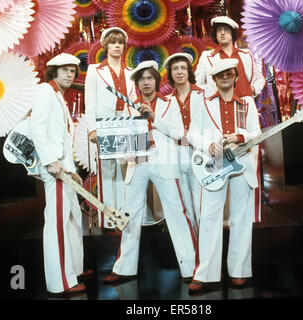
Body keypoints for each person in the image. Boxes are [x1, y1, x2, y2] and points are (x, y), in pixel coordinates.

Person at [104, 60, 196, 283]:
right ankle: (124, 268)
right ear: (136, 83)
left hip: (163, 159)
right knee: (130, 213)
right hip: (138, 161)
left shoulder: (169, 102)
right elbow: (123, 139)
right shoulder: (128, 106)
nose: (146, 82)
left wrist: (154, 117)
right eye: (141, 79)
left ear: (156, 80)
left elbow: (178, 132)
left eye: (149, 78)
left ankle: (192, 268)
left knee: (175, 211)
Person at [187, 59, 261, 292]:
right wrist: (208, 145)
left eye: (229, 74)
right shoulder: (202, 102)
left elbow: (256, 132)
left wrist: (238, 137)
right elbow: (192, 133)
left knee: (241, 217)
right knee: (209, 217)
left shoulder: (247, 103)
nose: (225, 78)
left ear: (236, 77)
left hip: (242, 163)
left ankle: (239, 271)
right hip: (214, 165)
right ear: (214, 80)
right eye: (220, 75)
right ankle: (206, 274)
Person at [30, 53, 91, 295]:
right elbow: (37, 128)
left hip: (64, 170)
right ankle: (61, 283)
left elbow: (63, 139)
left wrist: (73, 171)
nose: (70, 75)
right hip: (54, 170)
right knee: (56, 223)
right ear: (53, 71)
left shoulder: (59, 96)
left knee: (73, 219)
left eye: (73, 71)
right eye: (65, 70)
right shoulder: (46, 92)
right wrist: (50, 162)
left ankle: (74, 269)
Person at [85, 27, 136, 230]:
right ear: (105, 45)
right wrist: (92, 129)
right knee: (107, 170)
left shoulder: (131, 72)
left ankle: (125, 215)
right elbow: (90, 103)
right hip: (105, 124)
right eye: (113, 42)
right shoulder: (95, 70)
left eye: (120, 42)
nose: (117, 46)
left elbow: (133, 102)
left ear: (124, 46)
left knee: (127, 168)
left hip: (126, 123)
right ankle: (109, 218)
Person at [164, 52, 203, 231]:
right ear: (170, 73)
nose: (179, 72)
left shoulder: (204, 94)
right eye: (175, 68)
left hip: (201, 152)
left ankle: (206, 251)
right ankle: (192, 251)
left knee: (202, 204)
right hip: (178, 153)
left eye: (182, 68)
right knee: (184, 205)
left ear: (189, 71)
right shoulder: (166, 101)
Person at [195, 15, 265, 98]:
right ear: (215, 35)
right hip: (219, 107)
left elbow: (259, 78)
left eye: (226, 30)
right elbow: (197, 84)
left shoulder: (246, 54)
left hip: (244, 106)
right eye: (219, 30)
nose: (223, 33)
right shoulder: (206, 56)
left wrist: (253, 89)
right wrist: (210, 96)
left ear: (232, 33)